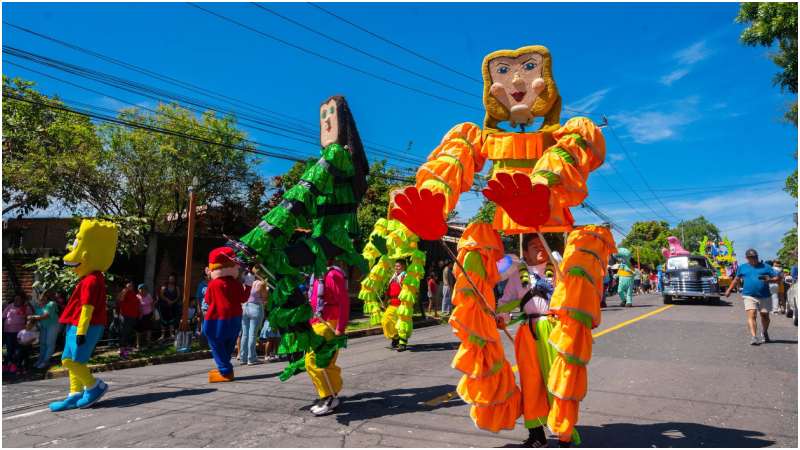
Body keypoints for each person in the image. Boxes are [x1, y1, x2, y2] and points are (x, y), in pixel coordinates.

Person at [49, 219, 118, 412]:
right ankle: (75, 394)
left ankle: (94, 386)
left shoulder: (92, 280)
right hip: (76, 323)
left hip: (85, 325)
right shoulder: (88, 278)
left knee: (76, 361)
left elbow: (88, 307)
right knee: (67, 359)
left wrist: (81, 331)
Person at [306, 262, 350, 416]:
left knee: (316, 360)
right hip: (319, 321)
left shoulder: (332, 274)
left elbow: (343, 301)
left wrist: (340, 327)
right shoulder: (317, 273)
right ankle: (329, 394)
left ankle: (330, 397)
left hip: (329, 322)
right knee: (320, 361)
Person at [203, 247, 247, 382]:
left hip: (216, 318)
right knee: (229, 342)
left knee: (215, 342)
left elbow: (208, 300)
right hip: (235, 317)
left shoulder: (213, 284)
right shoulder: (237, 283)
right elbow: (243, 298)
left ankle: (225, 370)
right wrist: (249, 286)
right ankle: (225, 367)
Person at [724, 248, 780, 345]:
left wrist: (769, 280)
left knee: (765, 316)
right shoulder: (742, 267)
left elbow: (778, 278)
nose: (753, 259)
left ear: (757, 257)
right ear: (747, 258)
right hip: (749, 295)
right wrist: (729, 289)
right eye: (751, 257)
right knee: (752, 314)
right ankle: (754, 337)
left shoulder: (766, 267)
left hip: (765, 295)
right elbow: (736, 279)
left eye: (755, 257)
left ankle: (764, 332)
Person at [3, 293, 34, 374]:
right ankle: (8, 364)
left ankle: (15, 365)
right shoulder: (10, 306)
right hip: (8, 331)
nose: (17, 301)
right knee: (9, 349)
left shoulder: (25, 307)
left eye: (19, 299)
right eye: (16, 299)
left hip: (19, 332)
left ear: (22, 300)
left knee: (18, 350)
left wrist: (25, 315)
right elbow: (3, 316)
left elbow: (30, 317)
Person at [239, 272, 266, 365]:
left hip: (244, 307)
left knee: (245, 334)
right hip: (256, 307)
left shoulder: (247, 281)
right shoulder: (261, 283)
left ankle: (243, 357)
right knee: (253, 334)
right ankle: (251, 358)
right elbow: (264, 297)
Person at [381, 260, 408, 351]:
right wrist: (385, 302)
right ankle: (395, 337)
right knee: (385, 320)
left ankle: (402, 343)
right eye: (395, 266)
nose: (396, 268)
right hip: (392, 304)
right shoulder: (393, 277)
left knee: (401, 325)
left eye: (398, 266)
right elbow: (387, 292)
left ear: (403, 266)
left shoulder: (405, 276)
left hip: (402, 304)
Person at [30, 292, 61, 369]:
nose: (41, 298)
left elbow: (45, 315)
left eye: (43, 297)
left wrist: (33, 317)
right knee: (43, 343)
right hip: (43, 326)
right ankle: (40, 360)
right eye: (39, 297)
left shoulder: (51, 304)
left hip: (53, 325)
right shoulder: (38, 306)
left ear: (46, 297)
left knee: (49, 343)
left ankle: (45, 361)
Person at [116, 281, 140, 359]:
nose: (131, 286)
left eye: (131, 285)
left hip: (132, 316)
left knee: (128, 332)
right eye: (129, 285)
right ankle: (121, 350)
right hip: (125, 316)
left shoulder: (133, 293)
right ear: (126, 286)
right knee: (124, 332)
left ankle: (125, 349)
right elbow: (120, 300)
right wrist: (125, 290)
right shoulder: (124, 292)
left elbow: (136, 303)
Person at [158, 273, 181, 341]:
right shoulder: (164, 286)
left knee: (172, 320)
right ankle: (162, 335)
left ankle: (171, 334)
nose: (171, 280)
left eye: (173, 279)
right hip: (164, 306)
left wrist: (173, 301)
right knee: (163, 321)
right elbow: (161, 295)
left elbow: (178, 296)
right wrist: (168, 300)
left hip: (173, 306)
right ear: (168, 279)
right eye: (170, 278)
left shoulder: (176, 287)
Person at [136, 284, 154, 349]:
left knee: (149, 329)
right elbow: (136, 306)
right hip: (140, 316)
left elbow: (152, 305)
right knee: (139, 330)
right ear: (138, 290)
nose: (143, 290)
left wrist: (153, 314)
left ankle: (148, 343)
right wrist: (139, 314)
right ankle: (138, 343)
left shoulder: (148, 296)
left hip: (148, 314)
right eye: (141, 289)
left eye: (144, 289)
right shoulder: (137, 297)